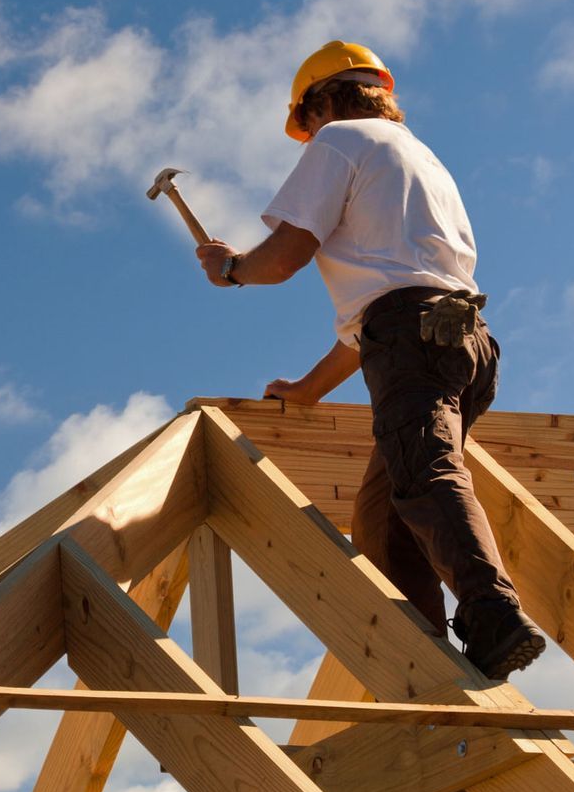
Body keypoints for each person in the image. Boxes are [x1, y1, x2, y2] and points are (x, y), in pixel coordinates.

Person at [194, 41, 546, 679]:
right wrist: (308, 389)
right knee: (382, 517)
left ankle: (490, 609)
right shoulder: (420, 158)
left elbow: (285, 259)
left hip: (412, 337)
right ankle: (428, 664)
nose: (309, 136)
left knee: (426, 473)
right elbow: (378, 316)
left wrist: (232, 270)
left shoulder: (338, 142)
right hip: (465, 341)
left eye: (309, 119)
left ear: (324, 101)